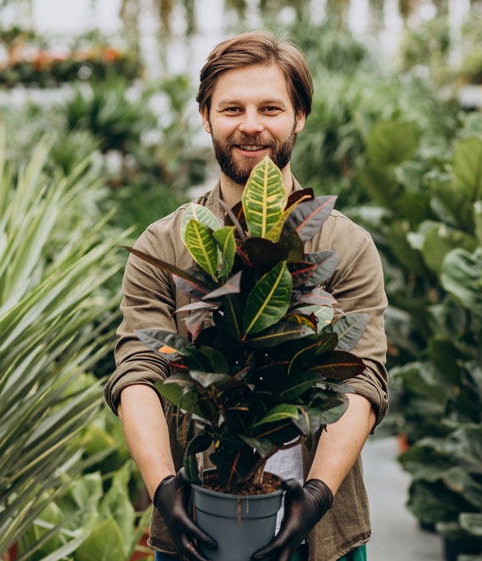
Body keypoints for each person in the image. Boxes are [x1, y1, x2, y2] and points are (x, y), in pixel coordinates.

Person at [104, 29, 389, 561]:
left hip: (321, 535)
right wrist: (165, 487)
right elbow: (140, 369)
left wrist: (318, 494)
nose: (251, 125)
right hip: (198, 524)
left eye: (270, 108)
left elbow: (361, 377)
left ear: (299, 117)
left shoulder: (344, 245)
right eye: (232, 108)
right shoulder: (167, 244)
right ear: (206, 116)